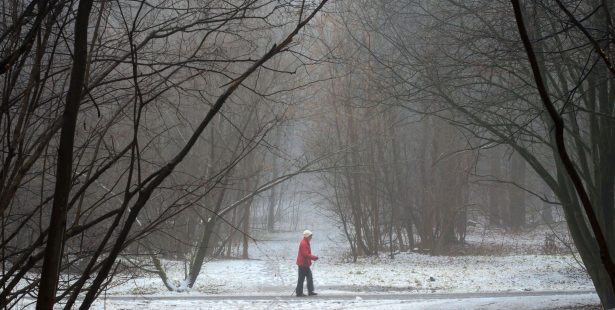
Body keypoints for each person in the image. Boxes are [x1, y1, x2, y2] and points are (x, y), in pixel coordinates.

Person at [295, 229, 318, 296]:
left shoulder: (306, 242)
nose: (311, 238)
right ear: (307, 236)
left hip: (305, 264)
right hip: (302, 264)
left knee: (309, 277)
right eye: (310, 236)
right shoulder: (304, 243)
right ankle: (299, 293)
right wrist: (314, 257)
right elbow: (306, 254)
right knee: (301, 279)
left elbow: (306, 254)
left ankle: (310, 291)